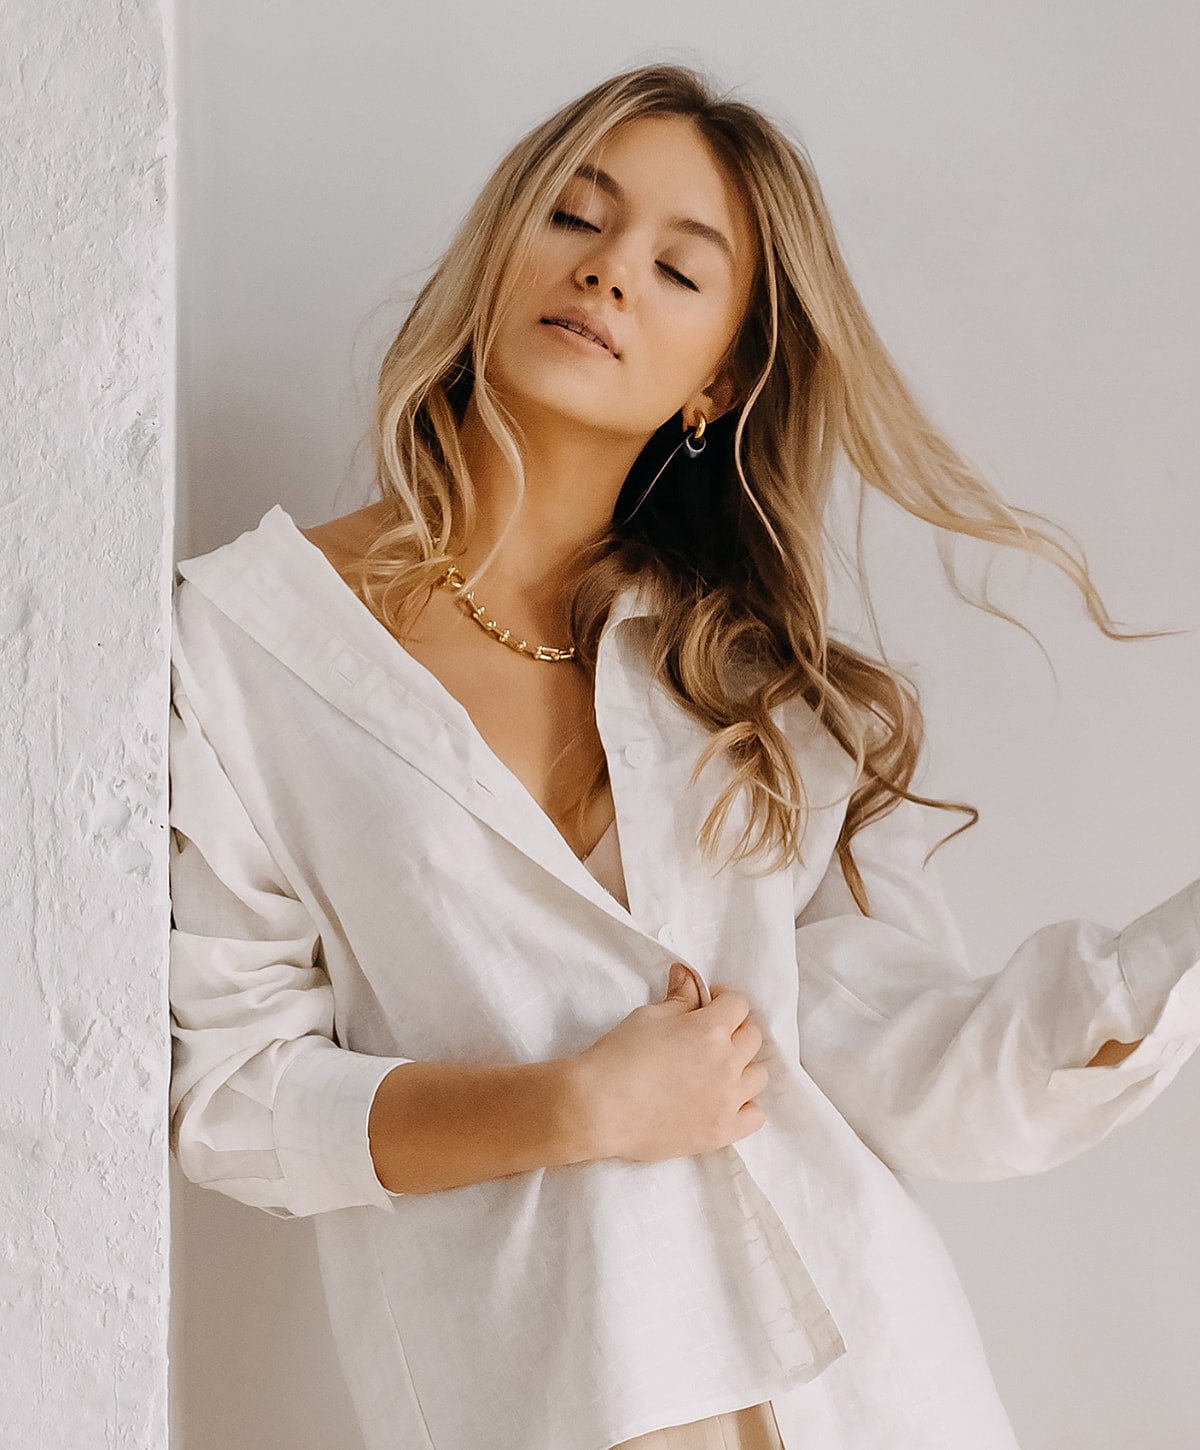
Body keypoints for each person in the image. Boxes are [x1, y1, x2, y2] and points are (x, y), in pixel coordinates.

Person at [167, 63, 1200, 1450]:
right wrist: (571, 1107)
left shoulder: (745, 690)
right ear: (501, 246)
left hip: (872, 1397)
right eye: (575, 217)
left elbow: (907, 1061)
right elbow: (238, 1099)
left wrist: (1160, 970)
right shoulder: (249, 640)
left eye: (677, 268)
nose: (607, 272)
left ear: (720, 376)